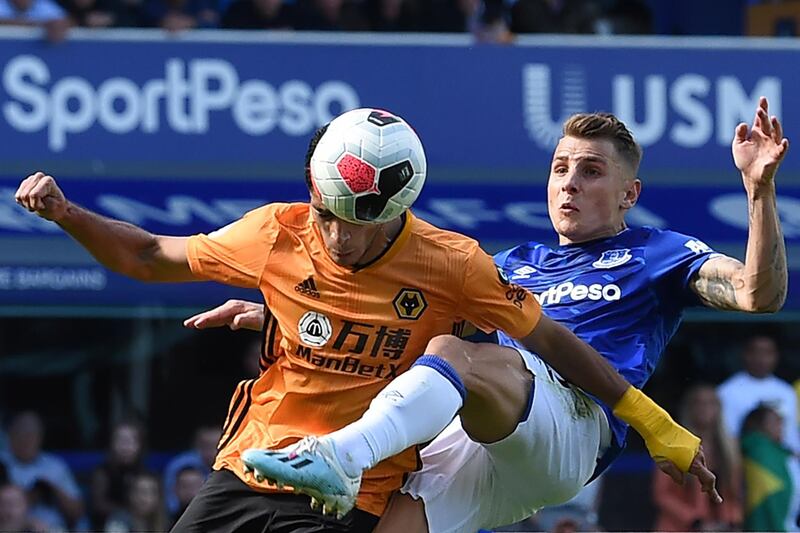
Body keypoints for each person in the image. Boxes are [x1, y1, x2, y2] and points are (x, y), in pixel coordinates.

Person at [15, 107, 710, 532]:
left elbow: (547, 340)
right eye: (329, 217)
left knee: (458, 353)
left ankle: (342, 457)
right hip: (259, 462)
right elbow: (146, 255)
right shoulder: (275, 233)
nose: (341, 239)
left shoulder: (455, 263)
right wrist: (68, 213)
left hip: (368, 476)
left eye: (361, 223)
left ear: (397, 208)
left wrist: (657, 424)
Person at [208, 97, 786, 532]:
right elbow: (402, 320)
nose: (569, 185)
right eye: (560, 169)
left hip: (572, 427)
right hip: (479, 432)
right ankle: (349, 456)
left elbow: (757, 294)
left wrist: (758, 191)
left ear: (629, 194)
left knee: (461, 357)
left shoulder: (656, 253)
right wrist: (277, 312)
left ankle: (342, 455)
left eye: (590, 171)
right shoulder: (510, 265)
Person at [652, 384, 743, 531]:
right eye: (698, 403)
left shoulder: (729, 448)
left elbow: (734, 494)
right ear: (689, 408)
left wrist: (730, 521)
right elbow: (662, 494)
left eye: (710, 403)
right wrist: (694, 520)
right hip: (680, 527)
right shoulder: (673, 444)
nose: (704, 408)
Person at [0, 411, 84, 531]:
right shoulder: (2, 463)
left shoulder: (55, 466)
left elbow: (77, 512)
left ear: (40, 437)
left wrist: (50, 488)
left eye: (31, 435)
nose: (26, 440)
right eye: (21, 433)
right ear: (10, 435)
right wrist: (26, 499)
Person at [740, 404, 793, 532]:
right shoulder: (759, 451)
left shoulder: (779, 452)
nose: (781, 425)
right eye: (775, 420)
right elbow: (771, 499)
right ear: (758, 424)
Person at [90, 419, 149, 529]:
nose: (125, 447)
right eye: (121, 441)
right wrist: (127, 513)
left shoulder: (145, 473)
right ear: (111, 444)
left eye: (131, 441)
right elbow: (98, 504)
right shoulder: (102, 473)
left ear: (140, 445)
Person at [162, 425, 221, 517]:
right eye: (206, 445)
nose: (211, 451)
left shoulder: (233, 465)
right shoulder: (179, 465)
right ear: (196, 445)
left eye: (216, 446)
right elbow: (169, 502)